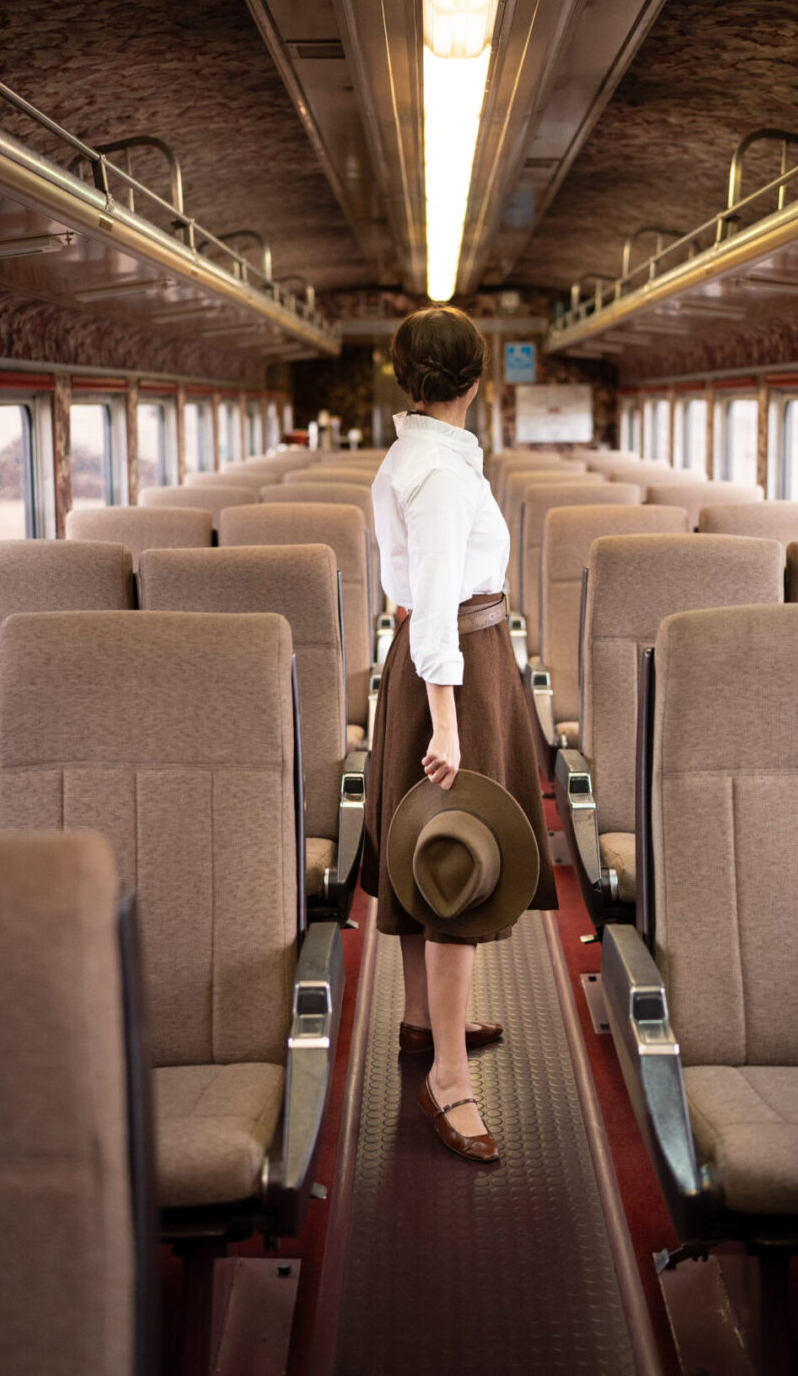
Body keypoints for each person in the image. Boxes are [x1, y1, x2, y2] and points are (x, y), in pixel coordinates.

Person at [362, 305, 557, 1162]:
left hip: (438, 661)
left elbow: (408, 597)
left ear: (406, 380)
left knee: (422, 849)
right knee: (456, 860)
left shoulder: (409, 457)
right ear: (479, 379)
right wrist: (449, 720)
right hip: (458, 666)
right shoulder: (440, 473)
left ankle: (419, 1024)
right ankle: (450, 1079)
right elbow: (436, 605)